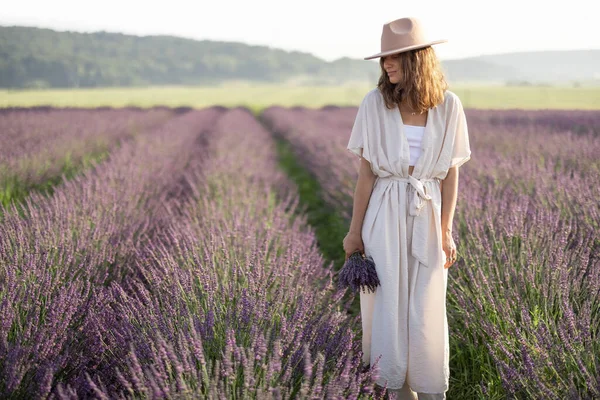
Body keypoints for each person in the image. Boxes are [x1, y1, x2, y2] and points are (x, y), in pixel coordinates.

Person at [342, 17, 471, 400]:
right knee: (387, 304)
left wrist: (446, 230)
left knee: (427, 303)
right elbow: (366, 175)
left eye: (395, 56)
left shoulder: (449, 106)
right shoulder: (374, 103)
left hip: (428, 214)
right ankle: (396, 389)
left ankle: (429, 389)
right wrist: (354, 231)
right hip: (383, 212)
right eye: (384, 58)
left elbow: (450, 175)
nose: (386, 64)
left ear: (418, 59)